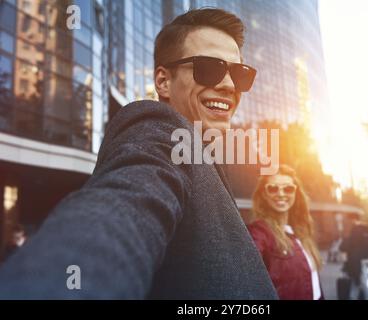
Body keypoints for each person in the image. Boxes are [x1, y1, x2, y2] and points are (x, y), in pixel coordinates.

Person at [0, 8, 278, 299]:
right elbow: (127, 200)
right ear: (162, 82)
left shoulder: (202, 156)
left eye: (239, 73)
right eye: (209, 68)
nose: (230, 85)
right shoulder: (157, 129)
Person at [247, 165, 323, 300]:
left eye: (288, 189)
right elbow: (244, 267)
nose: (281, 194)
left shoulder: (300, 232)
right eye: (272, 188)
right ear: (264, 194)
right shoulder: (259, 231)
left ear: (296, 193)